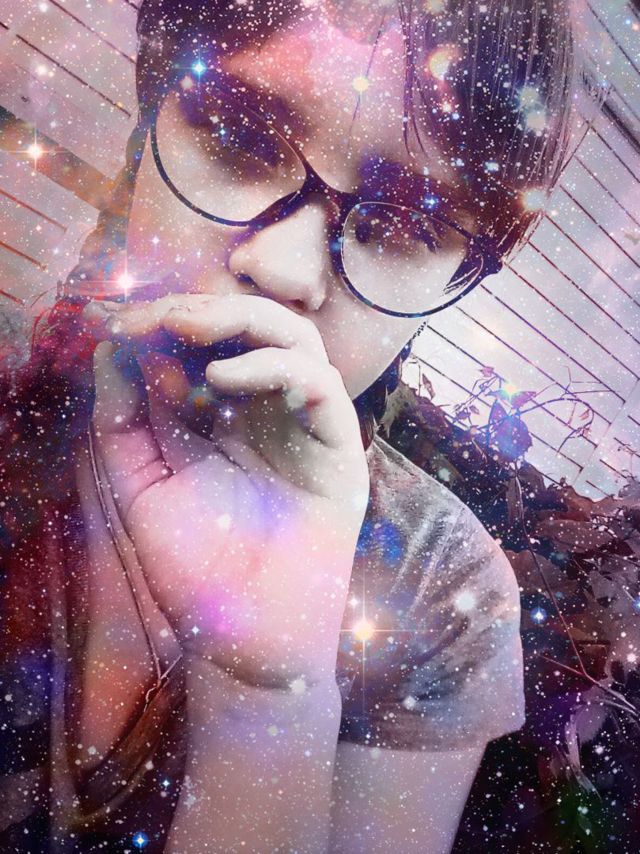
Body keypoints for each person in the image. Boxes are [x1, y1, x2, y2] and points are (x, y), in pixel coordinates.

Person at [0, 0, 578, 851]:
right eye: (238, 134)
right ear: (151, 111)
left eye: (406, 222)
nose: (281, 269)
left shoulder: (438, 587)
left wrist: (267, 695)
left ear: (461, 278)